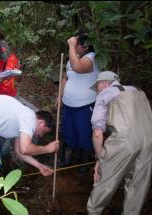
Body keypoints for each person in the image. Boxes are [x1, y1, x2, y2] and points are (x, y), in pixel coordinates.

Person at [87, 71, 152, 214]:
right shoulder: (137, 90)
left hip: (125, 141)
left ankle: (93, 211)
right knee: (138, 184)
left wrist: (99, 159)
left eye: (98, 87)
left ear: (105, 83)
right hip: (150, 139)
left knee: (106, 180)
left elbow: (97, 132)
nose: (97, 91)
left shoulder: (105, 93)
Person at [57, 31, 99, 167]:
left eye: (77, 45)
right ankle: (68, 158)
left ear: (86, 46)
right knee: (68, 132)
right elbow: (65, 78)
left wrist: (70, 45)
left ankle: (84, 163)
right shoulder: (72, 58)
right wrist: (60, 96)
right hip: (69, 104)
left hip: (85, 105)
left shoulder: (91, 58)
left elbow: (79, 67)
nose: (74, 47)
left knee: (84, 133)